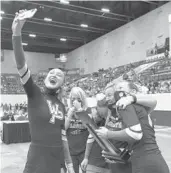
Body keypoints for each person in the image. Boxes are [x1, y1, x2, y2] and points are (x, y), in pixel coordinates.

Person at [12, 9, 74, 173]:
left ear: (61, 84)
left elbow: (63, 138)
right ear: (46, 77)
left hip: (57, 159)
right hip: (37, 158)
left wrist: (69, 164)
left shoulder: (61, 105)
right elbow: (20, 64)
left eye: (59, 75)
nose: (54, 74)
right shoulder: (34, 93)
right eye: (51, 72)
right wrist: (17, 32)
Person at [96, 81, 170, 173]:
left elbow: (135, 134)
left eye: (120, 89)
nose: (117, 93)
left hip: (142, 160)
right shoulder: (117, 110)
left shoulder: (127, 106)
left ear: (133, 92)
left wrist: (108, 134)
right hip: (143, 158)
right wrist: (112, 153)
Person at [65, 87, 91, 173]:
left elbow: (89, 127)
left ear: (83, 100)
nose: (75, 101)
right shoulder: (67, 111)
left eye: (78, 99)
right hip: (71, 151)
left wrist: (80, 111)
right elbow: (64, 128)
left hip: (84, 151)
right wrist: (69, 116)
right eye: (73, 99)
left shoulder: (88, 110)